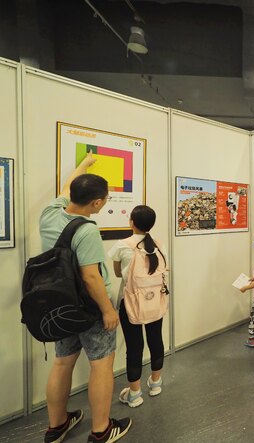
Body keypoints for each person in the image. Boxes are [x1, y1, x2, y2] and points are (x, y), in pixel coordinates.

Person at [41, 152, 132, 443]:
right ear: (96, 203)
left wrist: (83, 167)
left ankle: (56, 426)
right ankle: (101, 430)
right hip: (89, 308)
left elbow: (67, 188)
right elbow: (91, 277)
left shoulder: (50, 213)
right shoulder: (87, 230)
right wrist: (107, 310)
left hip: (59, 304)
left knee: (62, 363)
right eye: (104, 200)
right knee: (101, 364)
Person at [108, 205, 167, 408]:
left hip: (130, 303)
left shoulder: (123, 245)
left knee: (134, 346)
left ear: (131, 222)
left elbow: (117, 273)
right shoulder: (158, 244)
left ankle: (134, 394)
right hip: (155, 301)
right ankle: (156, 383)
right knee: (155, 339)